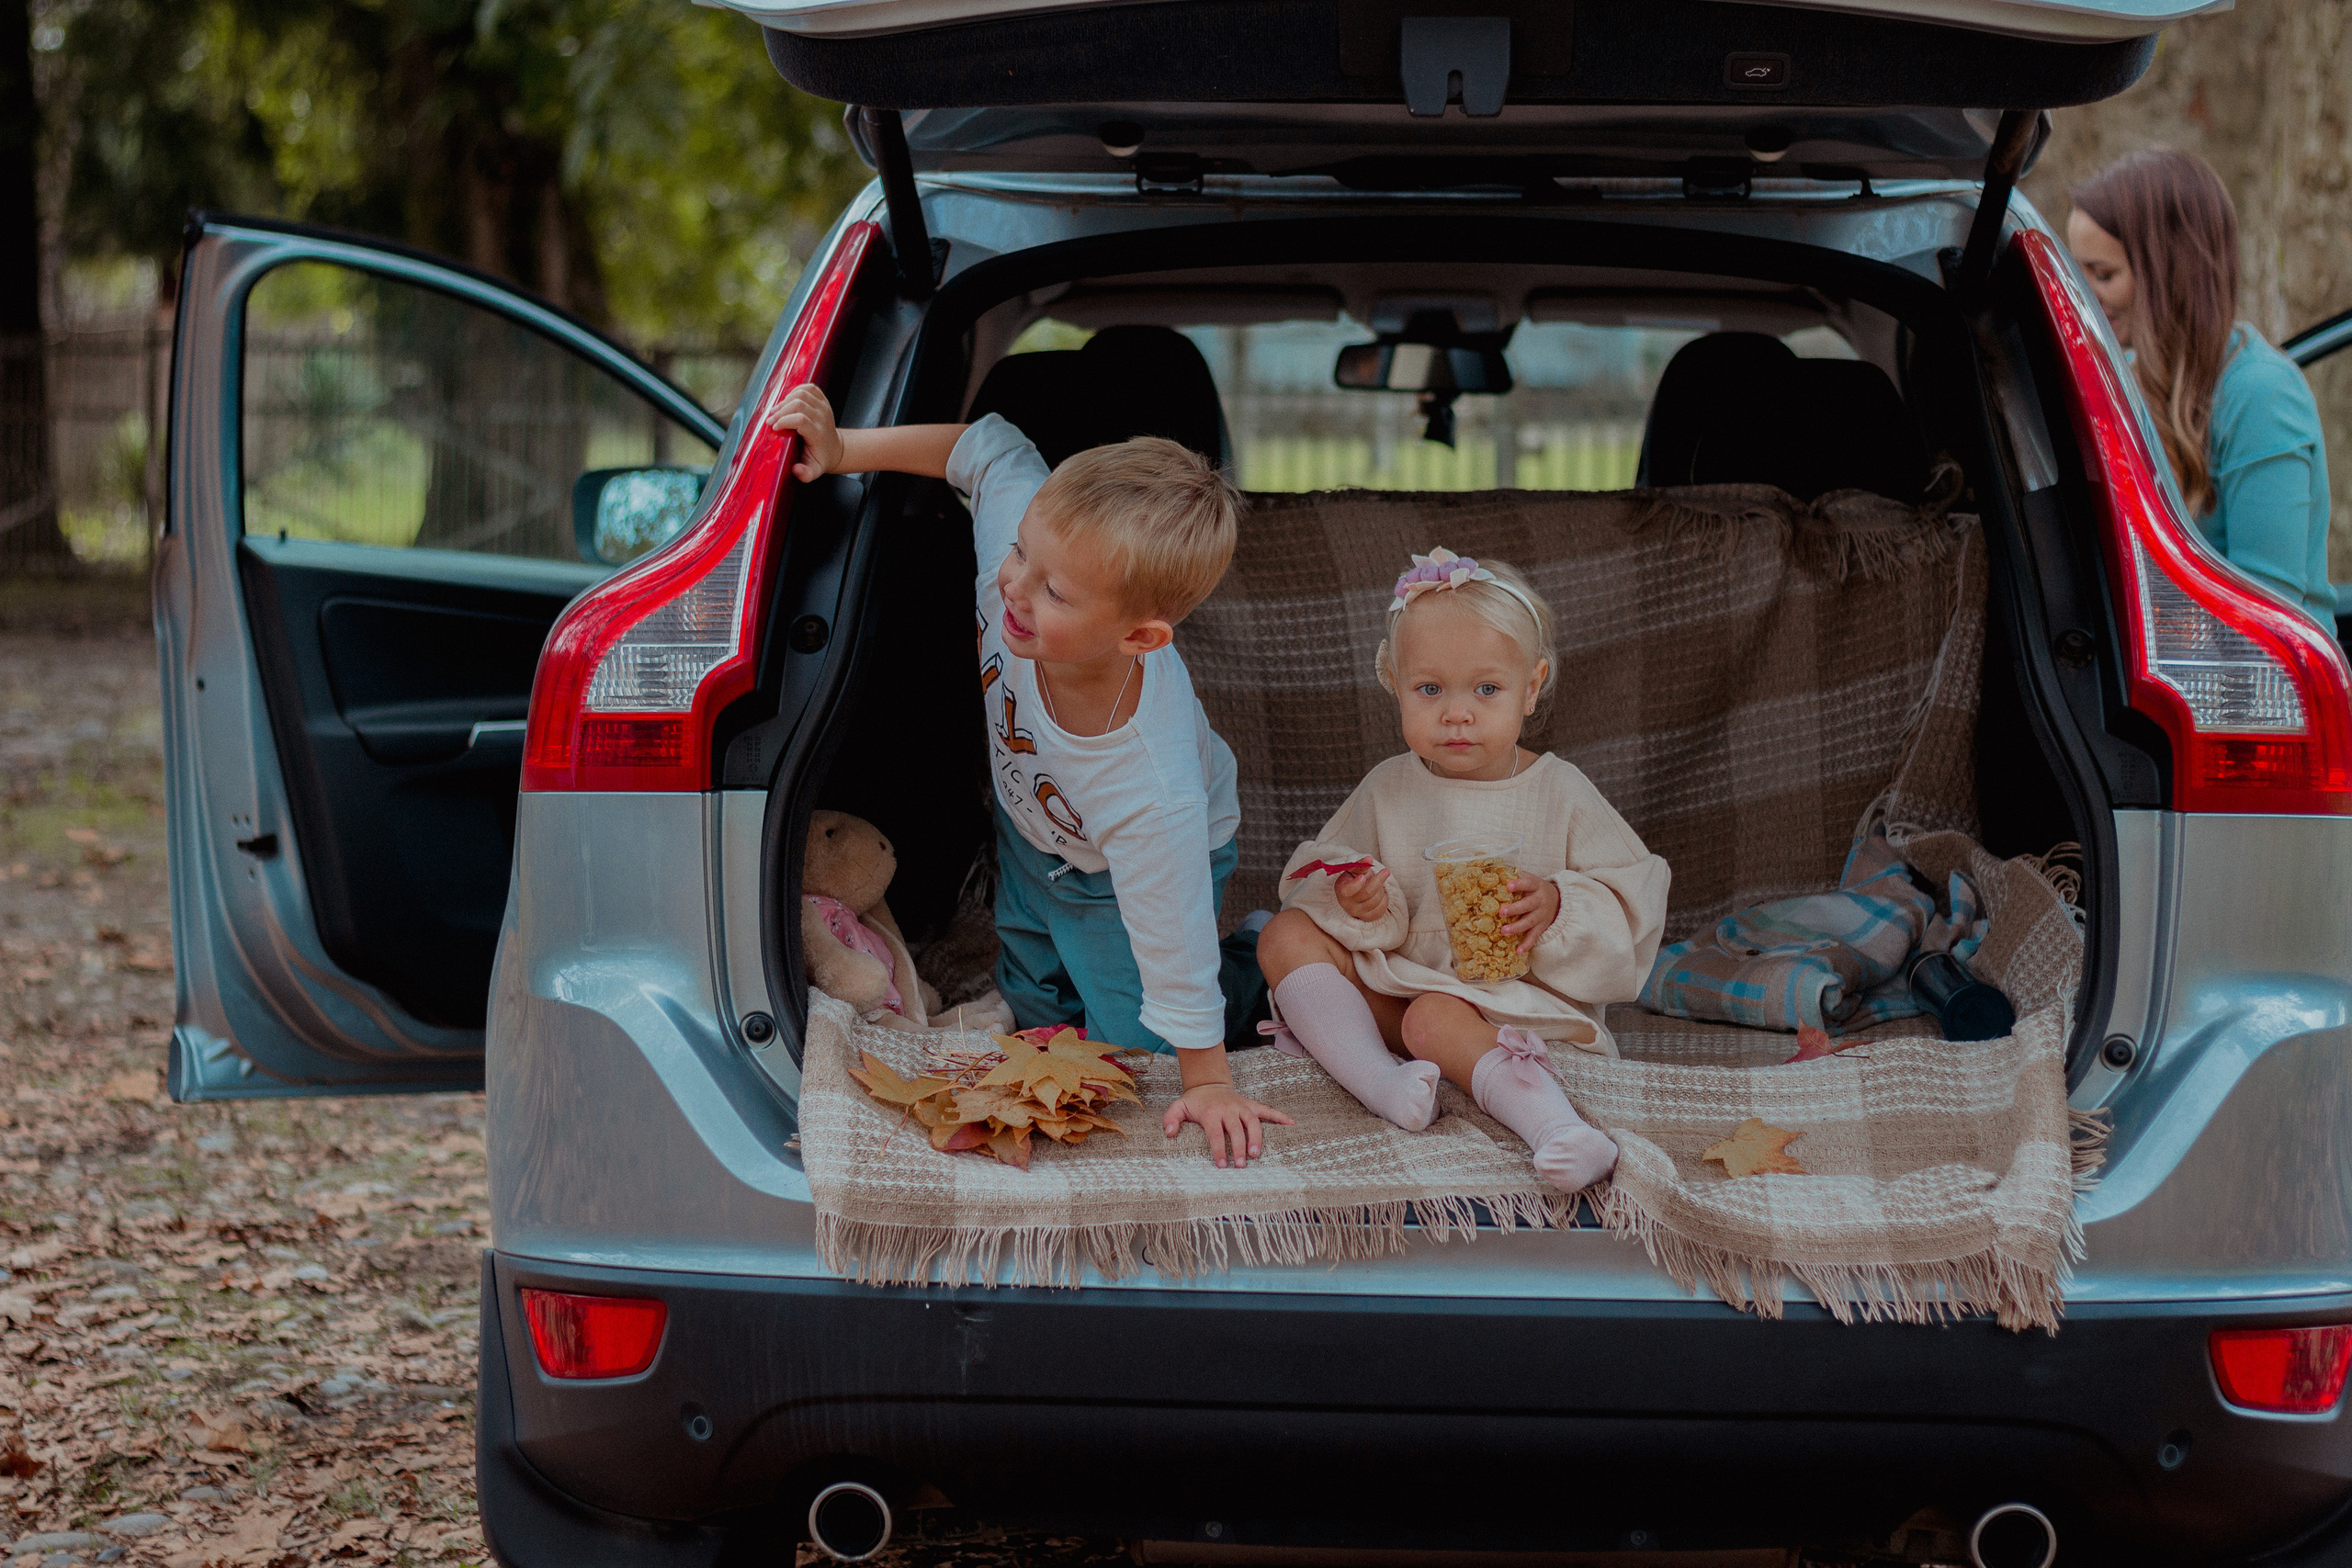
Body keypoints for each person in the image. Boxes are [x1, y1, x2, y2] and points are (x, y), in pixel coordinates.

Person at [767, 385, 1292, 1169]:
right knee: (1033, 988)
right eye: (1020, 550)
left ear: (1140, 636)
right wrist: (846, 449)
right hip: (1033, 821)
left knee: (1133, 1049)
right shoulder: (1025, 553)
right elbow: (985, 445)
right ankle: (1052, 987)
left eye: (1054, 591)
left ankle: (1247, 969)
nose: (1013, 585)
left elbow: (1170, 932)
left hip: (1122, 872)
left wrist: (1209, 1079)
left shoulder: (1150, 782)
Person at [1252, 547, 1671, 1194]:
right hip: (1403, 987)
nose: (1457, 712)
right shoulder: (1388, 787)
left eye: (1486, 689)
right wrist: (1359, 903)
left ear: (1531, 687)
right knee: (1281, 935)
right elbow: (1325, 874)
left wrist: (1560, 906)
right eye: (1430, 689)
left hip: (1508, 1005)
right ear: (1393, 681)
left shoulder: (1560, 790)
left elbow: (1634, 900)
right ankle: (1381, 1080)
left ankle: (1556, 1127)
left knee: (1433, 1018)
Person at [2067, 147, 2336, 627]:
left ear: (2168, 274)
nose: (2084, 293)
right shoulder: (2123, 377)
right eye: (2079, 271)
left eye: (2103, 274)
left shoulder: (2262, 397)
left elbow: (2269, 615)